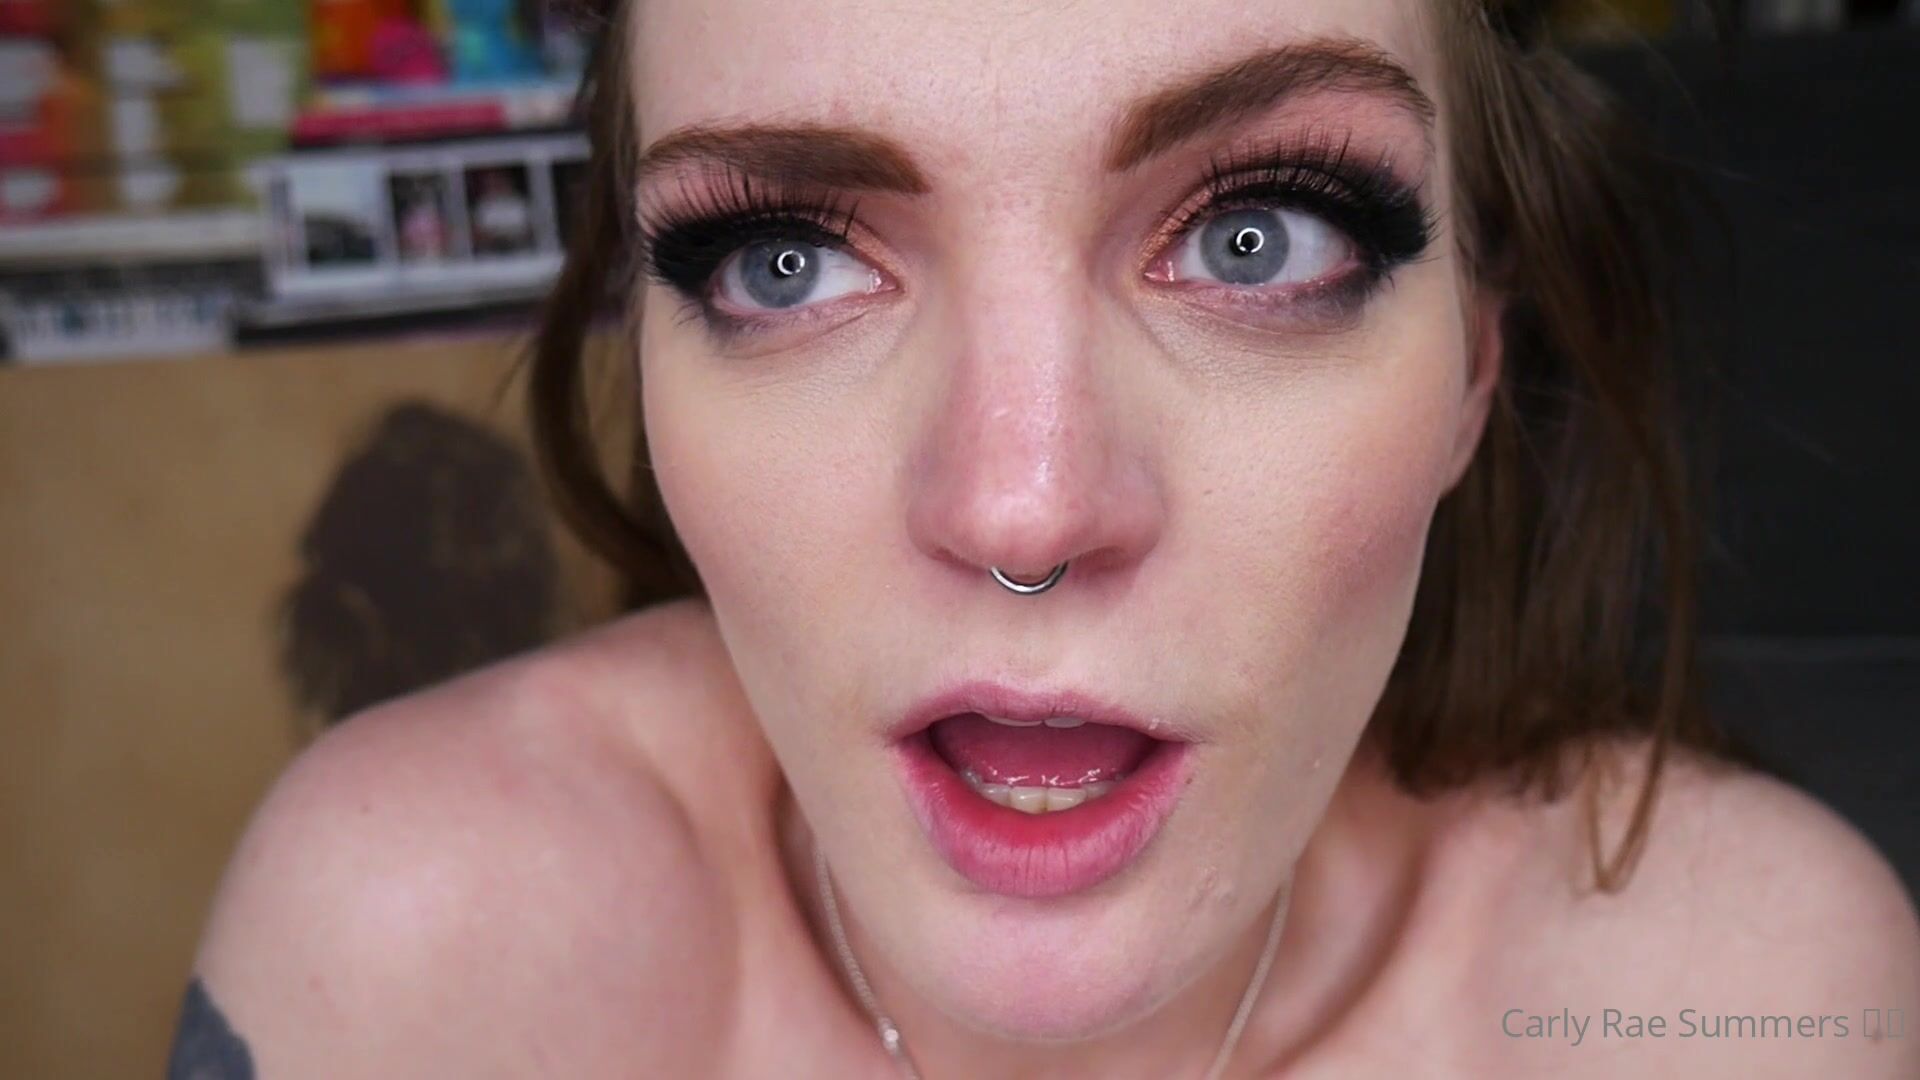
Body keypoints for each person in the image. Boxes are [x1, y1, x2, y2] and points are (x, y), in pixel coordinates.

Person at [172, 0, 1920, 1076]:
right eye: (787, 259)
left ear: (1473, 361)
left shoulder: (1735, 1007)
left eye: (1256, 237)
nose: (1023, 509)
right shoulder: (412, 948)